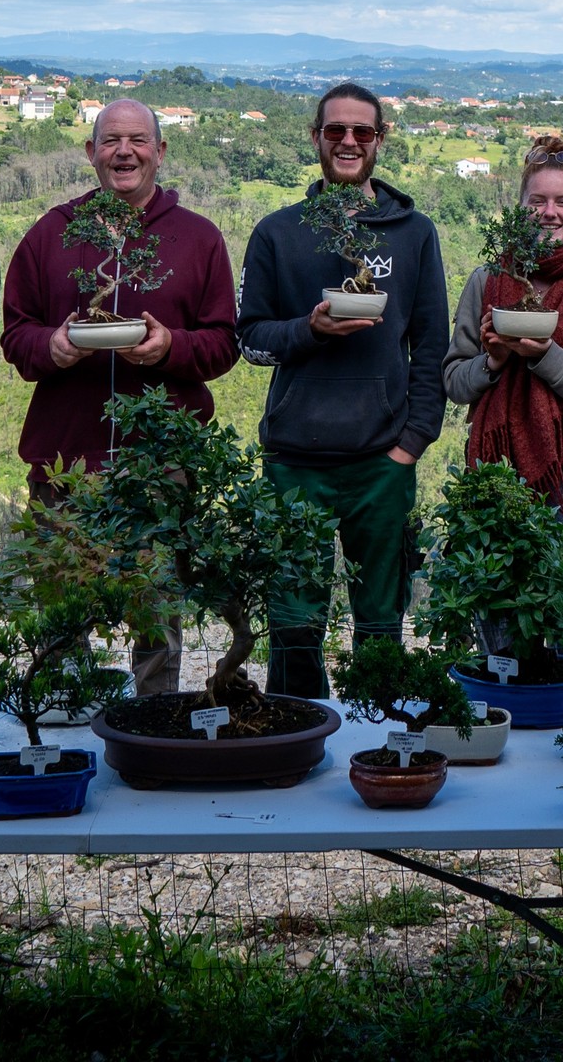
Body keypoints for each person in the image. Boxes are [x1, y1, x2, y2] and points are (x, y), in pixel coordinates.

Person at [1, 98, 238, 693]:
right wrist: (50, 347)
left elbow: (224, 342)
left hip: (160, 464)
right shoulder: (51, 233)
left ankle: (154, 725)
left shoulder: (199, 238)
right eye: (110, 141)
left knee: (157, 615)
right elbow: (14, 331)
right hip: (65, 464)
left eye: (137, 141)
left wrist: (169, 349)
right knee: (60, 613)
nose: (123, 152)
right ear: (91, 153)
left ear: (160, 151)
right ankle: (60, 722)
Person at [236, 82, 449, 698]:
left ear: (380, 140)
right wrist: (311, 328)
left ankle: (378, 736)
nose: (349, 141)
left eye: (363, 131)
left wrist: (412, 442)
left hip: (381, 462)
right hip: (294, 462)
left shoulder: (413, 233)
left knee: (381, 618)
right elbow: (250, 339)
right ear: (316, 139)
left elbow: (431, 346)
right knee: (292, 618)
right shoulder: (279, 232)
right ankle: (299, 735)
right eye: (336, 131)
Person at [443, 136, 563, 561]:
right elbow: (455, 382)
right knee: (502, 618)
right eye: (537, 202)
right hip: (496, 469)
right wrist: (492, 361)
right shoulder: (487, 281)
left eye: (562, 202)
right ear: (520, 209)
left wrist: (544, 355)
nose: (549, 213)